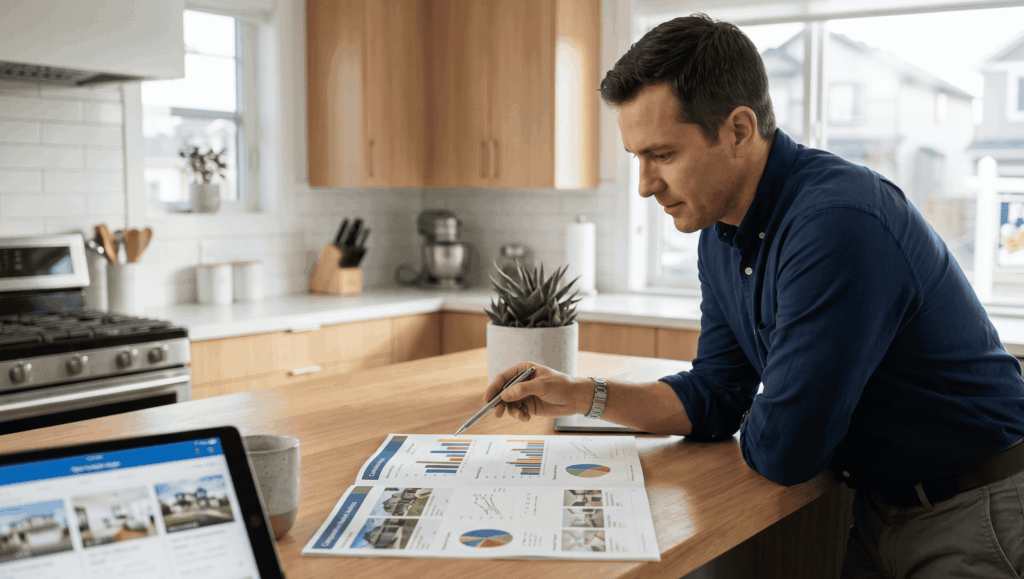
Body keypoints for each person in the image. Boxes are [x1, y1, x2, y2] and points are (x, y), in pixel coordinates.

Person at [483, 13, 1024, 578]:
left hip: (978, 508)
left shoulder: (836, 222)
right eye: (636, 158)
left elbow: (787, 451)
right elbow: (718, 394)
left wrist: (765, 412)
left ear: (739, 130)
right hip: (882, 508)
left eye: (662, 155)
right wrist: (578, 395)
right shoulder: (719, 232)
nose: (644, 185)